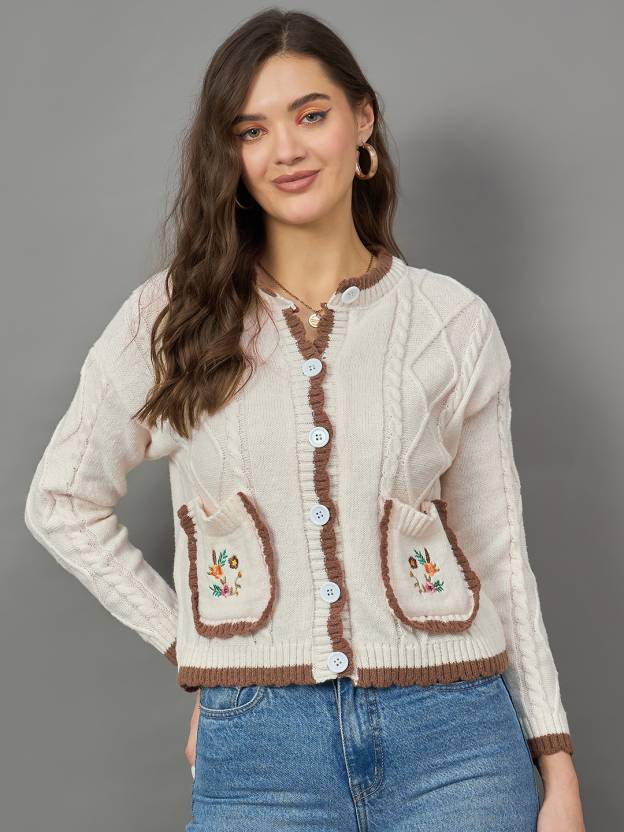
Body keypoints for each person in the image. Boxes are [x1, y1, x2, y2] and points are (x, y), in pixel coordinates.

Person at [24, 8, 586, 831]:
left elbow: (498, 554)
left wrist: (555, 759)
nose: (284, 149)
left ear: (363, 123)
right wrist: (194, 646)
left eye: (310, 115)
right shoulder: (171, 319)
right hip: (260, 755)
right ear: (230, 157)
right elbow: (61, 501)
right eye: (251, 130)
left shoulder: (451, 321)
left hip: (458, 741)